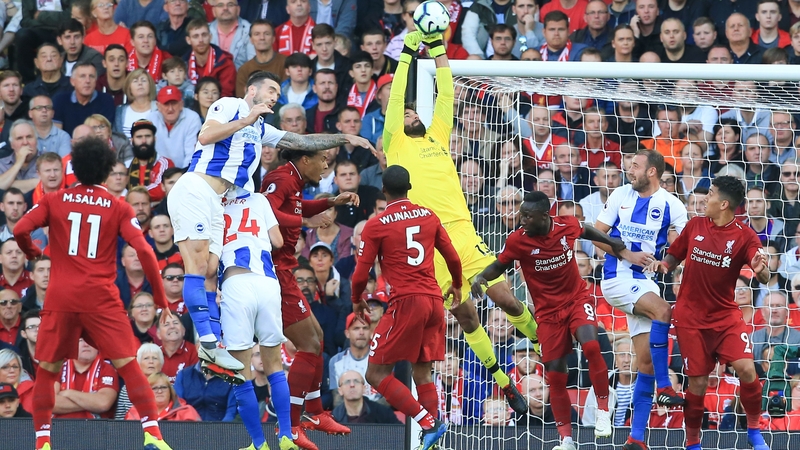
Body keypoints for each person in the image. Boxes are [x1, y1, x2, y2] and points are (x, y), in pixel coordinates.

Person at [167, 67, 369, 388]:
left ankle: (212, 343)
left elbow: (301, 141)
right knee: (198, 268)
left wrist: (344, 138)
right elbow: (206, 136)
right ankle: (209, 342)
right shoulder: (231, 105)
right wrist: (246, 119)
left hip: (219, 201)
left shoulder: (261, 127)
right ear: (253, 90)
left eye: (278, 92)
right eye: (271, 90)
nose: (276, 96)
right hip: (198, 189)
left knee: (210, 269)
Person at [384, 29, 536, 415]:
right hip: (432, 246)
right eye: (406, 114)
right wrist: (407, 53)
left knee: (505, 299)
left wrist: (438, 50)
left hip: (464, 234)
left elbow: (447, 92)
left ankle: (541, 343)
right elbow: (397, 95)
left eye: (415, 112)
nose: (412, 115)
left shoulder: (437, 135)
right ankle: (504, 383)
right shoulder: (395, 143)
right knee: (466, 317)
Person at [13, 137, 173, 450]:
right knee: (128, 365)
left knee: (47, 371)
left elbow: (19, 229)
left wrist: (31, 251)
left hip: (60, 297)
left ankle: (42, 441)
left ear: (74, 169)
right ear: (106, 171)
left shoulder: (54, 199)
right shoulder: (118, 206)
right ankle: (153, 434)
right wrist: (160, 299)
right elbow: (144, 250)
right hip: (100, 298)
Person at [472, 190, 625, 449]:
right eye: (521, 215)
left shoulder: (566, 225)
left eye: (527, 216)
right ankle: (566, 440)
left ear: (544, 216)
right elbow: (499, 265)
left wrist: (612, 242)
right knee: (555, 374)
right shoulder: (517, 241)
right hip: (547, 314)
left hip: (577, 300)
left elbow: (587, 230)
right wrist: (480, 278)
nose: (522, 220)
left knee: (591, 345)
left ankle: (602, 411)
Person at [649, 176, 772, 450]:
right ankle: (693, 443)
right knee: (698, 384)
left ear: (724, 204)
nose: (706, 198)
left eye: (711, 194)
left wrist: (760, 268)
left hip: (725, 317)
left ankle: (754, 431)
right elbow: (674, 255)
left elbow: (764, 276)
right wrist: (664, 265)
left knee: (747, 370)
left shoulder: (744, 236)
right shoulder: (695, 225)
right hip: (691, 320)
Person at [351, 165, 459, 450]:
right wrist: (457, 284)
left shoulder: (377, 224)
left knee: (375, 374)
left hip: (406, 302)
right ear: (409, 188)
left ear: (384, 190)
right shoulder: (428, 215)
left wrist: (356, 298)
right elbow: (452, 256)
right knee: (422, 373)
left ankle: (428, 423)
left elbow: (361, 273)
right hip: (434, 301)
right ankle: (432, 441)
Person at [262, 154, 366, 449]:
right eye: (323, 161)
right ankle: (291, 426)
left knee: (317, 339)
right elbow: (266, 211)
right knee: (309, 344)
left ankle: (316, 413)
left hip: (285, 270)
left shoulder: (294, 180)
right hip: (274, 271)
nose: (325, 167)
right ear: (305, 159)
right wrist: (306, 221)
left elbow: (298, 207)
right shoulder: (280, 178)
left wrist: (331, 201)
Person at [593, 149, 688, 450]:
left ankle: (636, 438)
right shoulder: (620, 194)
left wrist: (667, 263)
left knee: (645, 362)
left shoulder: (672, 205)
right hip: (617, 279)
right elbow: (594, 234)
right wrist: (626, 253)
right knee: (664, 311)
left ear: (652, 172)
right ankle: (665, 386)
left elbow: (683, 245)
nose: (628, 170)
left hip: (646, 283)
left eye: (635, 166)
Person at [218, 187, 296, 449]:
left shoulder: (213, 203)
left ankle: (259, 443)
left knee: (241, 375)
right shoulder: (259, 199)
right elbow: (278, 241)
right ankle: (286, 435)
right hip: (266, 282)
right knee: (275, 366)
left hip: (235, 283)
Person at [125, 372, 202, 421]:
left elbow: (197, 438)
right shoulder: (134, 413)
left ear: (170, 390)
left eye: (163, 387)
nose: (159, 391)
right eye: (154, 388)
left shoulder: (187, 412)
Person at [331, 370, 401, 424]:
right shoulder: (333, 418)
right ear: (340, 391)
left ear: (364, 388)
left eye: (356, 381)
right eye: (347, 382)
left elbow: (400, 434)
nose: (352, 385)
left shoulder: (383, 413)